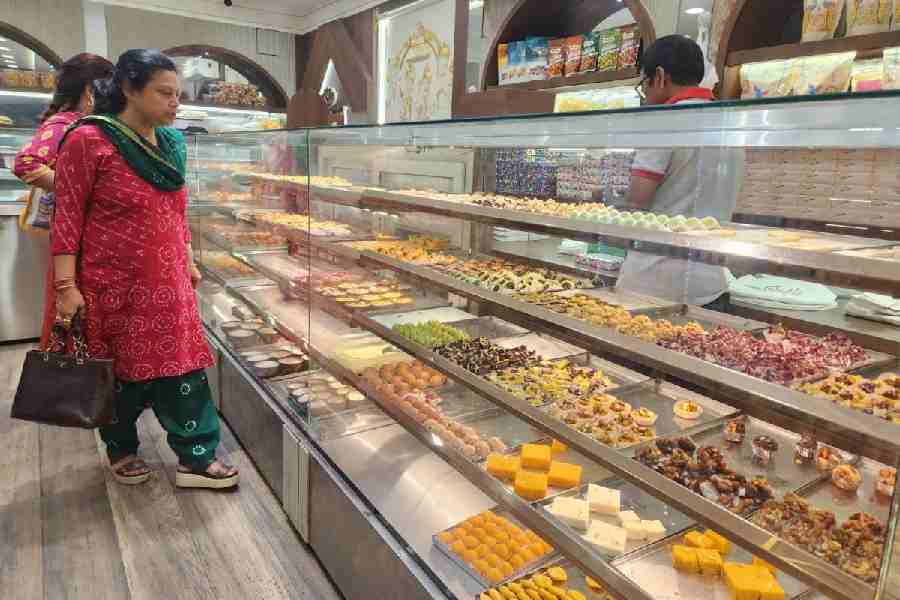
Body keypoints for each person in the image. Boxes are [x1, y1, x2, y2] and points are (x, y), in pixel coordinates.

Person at [52, 49, 239, 489]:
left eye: (177, 94)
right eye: (164, 93)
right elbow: (67, 216)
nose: (175, 103)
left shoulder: (172, 143)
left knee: (183, 369)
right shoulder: (89, 139)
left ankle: (197, 457)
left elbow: (177, 210)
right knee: (120, 374)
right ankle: (122, 448)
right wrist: (66, 286)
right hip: (112, 282)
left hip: (168, 281)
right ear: (130, 89)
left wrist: (188, 260)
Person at [616, 35, 744, 309]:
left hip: (654, 281)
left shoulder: (664, 122)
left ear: (659, 76)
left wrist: (613, 205)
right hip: (711, 283)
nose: (645, 95)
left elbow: (638, 201)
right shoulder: (730, 124)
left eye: (644, 84)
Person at [13, 53, 115, 348]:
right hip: (73, 239)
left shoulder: (80, 124)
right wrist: (76, 190)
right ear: (89, 90)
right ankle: (74, 383)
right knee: (73, 314)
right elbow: (26, 163)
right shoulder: (67, 124)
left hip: (77, 236)